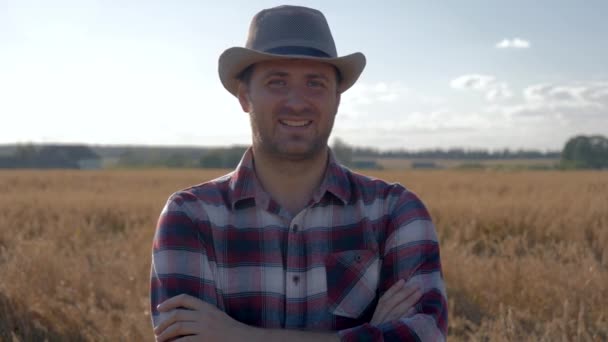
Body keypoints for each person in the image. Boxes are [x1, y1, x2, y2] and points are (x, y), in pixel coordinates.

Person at [150, 5, 447, 341]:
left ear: (337, 98)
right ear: (244, 96)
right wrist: (373, 334)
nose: (297, 102)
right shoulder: (191, 217)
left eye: (315, 83)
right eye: (277, 82)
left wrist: (242, 336)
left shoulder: (395, 211)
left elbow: (425, 335)